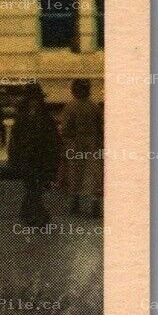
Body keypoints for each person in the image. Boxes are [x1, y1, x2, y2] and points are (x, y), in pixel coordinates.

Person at [9, 82, 62, 229]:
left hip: (39, 158)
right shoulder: (38, 118)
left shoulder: (33, 118)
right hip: (30, 158)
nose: (34, 103)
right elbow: (15, 140)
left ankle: (30, 212)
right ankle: (37, 214)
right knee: (34, 187)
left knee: (35, 187)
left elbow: (53, 140)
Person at [57, 78, 104, 217]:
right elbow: (100, 126)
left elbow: (65, 128)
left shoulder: (71, 107)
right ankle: (95, 204)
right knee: (95, 174)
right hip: (93, 143)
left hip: (76, 143)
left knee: (75, 173)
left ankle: (75, 203)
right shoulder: (94, 106)